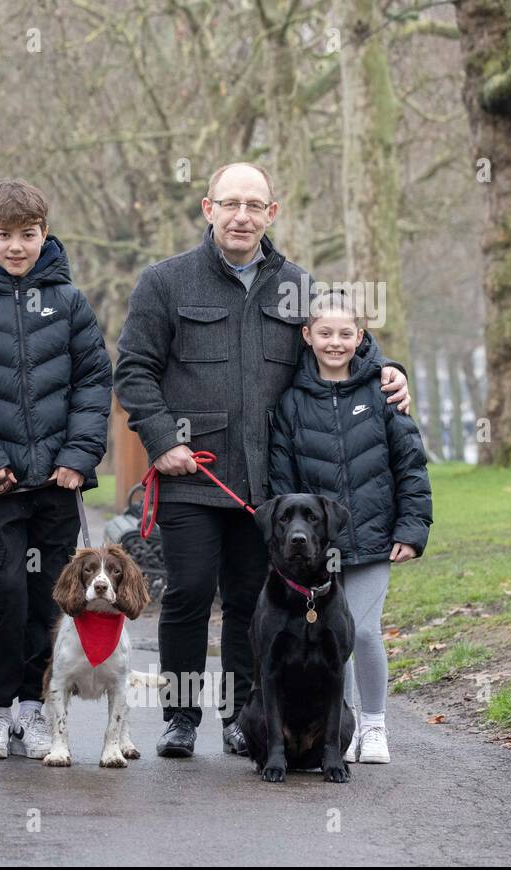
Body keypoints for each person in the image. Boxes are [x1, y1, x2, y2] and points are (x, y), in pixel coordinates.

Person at [114, 162, 413, 759]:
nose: (242, 215)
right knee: (191, 593)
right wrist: (160, 439)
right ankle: (178, 717)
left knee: (253, 600)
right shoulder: (165, 282)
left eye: (255, 205)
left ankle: (244, 717)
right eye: (231, 204)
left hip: (269, 488)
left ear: (271, 213)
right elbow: (134, 370)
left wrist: (387, 369)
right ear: (208, 208)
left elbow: (344, 338)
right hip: (192, 473)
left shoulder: (297, 285)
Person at [0, 179, 111, 759]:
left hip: (59, 485)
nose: (16, 247)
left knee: (49, 595)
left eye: (27, 236)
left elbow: (92, 382)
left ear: (44, 234)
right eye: (5, 235)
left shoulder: (71, 303)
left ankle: (37, 708)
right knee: (5, 593)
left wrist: (77, 458)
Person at [268, 290, 432, 764]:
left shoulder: (382, 391)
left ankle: (375, 725)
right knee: (322, 638)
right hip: (313, 553)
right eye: (324, 333)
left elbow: (410, 465)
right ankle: (333, 727)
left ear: (360, 336)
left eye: (345, 333)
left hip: (374, 537)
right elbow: (283, 482)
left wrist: (412, 527)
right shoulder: (292, 402)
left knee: (361, 632)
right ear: (307, 336)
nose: (335, 342)